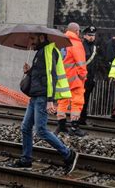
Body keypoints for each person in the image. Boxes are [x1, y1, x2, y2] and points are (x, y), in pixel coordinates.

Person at [9, 33, 79, 175]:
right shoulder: (41, 52)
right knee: (26, 128)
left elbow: (51, 76)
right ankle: (26, 160)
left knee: (41, 130)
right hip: (35, 96)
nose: (31, 42)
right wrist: (30, 71)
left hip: (42, 97)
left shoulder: (48, 51)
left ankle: (68, 154)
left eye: (33, 39)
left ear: (41, 37)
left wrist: (50, 101)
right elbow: (41, 74)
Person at [56, 23, 88, 136]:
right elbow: (81, 63)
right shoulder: (76, 43)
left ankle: (61, 126)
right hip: (74, 79)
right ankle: (74, 127)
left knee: (62, 101)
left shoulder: (61, 42)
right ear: (76, 31)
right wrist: (83, 76)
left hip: (62, 78)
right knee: (77, 101)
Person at [79, 25, 98, 125]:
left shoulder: (94, 47)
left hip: (90, 78)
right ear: (85, 35)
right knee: (80, 99)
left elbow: (95, 64)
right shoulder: (81, 46)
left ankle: (82, 118)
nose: (91, 37)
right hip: (82, 77)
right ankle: (78, 119)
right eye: (89, 35)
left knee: (86, 99)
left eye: (93, 35)